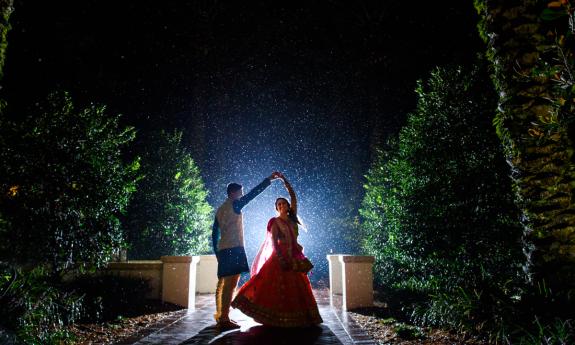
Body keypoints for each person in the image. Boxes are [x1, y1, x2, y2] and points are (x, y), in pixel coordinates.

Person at [231, 172, 323, 327]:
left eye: (284, 204)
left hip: (294, 256)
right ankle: (273, 317)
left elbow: (293, 196)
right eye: (278, 205)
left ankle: (297, 317)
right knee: (271, 286)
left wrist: (284, 180)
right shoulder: (274, 222)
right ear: (276, 208)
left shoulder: (293, 219)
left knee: (296, 288)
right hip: (279, 257)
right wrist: (280, 258)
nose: (281, 206)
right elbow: (273, 241)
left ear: (288, 206)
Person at [212, 172, 280, 329]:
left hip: (223, 249)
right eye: (240, 192)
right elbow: (253, 194)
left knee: (222, 283)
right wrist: (269, 179)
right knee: (230, 284)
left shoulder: (220, 209)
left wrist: (217, 253)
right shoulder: (235, 204)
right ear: (233, 193)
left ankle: (220, 315)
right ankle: (224, 319)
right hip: (234, 248)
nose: (242, 195)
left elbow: (214, 234)